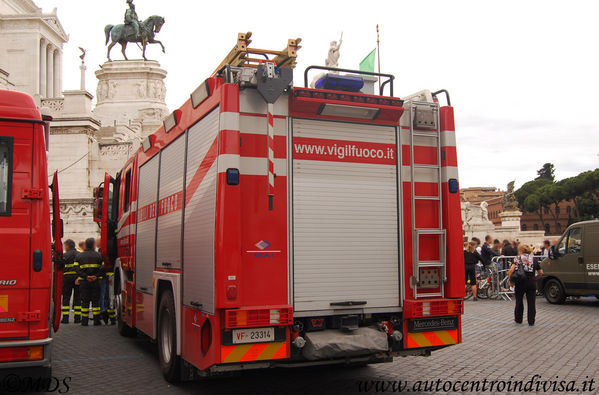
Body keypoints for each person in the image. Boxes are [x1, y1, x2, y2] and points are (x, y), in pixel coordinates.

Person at [508, 244, 544, 326]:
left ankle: (518, 318)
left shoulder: (518, 258)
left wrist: (510, 280)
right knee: (531, 302)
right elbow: (541, 272)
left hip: (520, 282)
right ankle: (531, 320)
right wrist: (535, 278)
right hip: (531, 282)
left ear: (520, 251)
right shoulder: (533, 259)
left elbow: (511, 270)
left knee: (519, 301)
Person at [75, 238, 105, 326]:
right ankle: (96, 320)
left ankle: (84, 321)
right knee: (96, 301)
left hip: (84, 282)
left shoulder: (79, 256)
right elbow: (103, 268)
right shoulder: (99, 255)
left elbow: (76, 269)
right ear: (93, 245)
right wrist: (96, 276)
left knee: (85, 301)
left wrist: (86, 276)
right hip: (96, 281)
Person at [61, 239, 81, 324]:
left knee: (66, 298)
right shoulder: (79, 255)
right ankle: (77, 318)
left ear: (68, 246)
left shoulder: (64, 255)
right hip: (78, 279)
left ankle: (65, 318)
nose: (64, 248)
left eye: (65, 246)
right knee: (77, 298)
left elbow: (60, 267)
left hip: (67, 278)